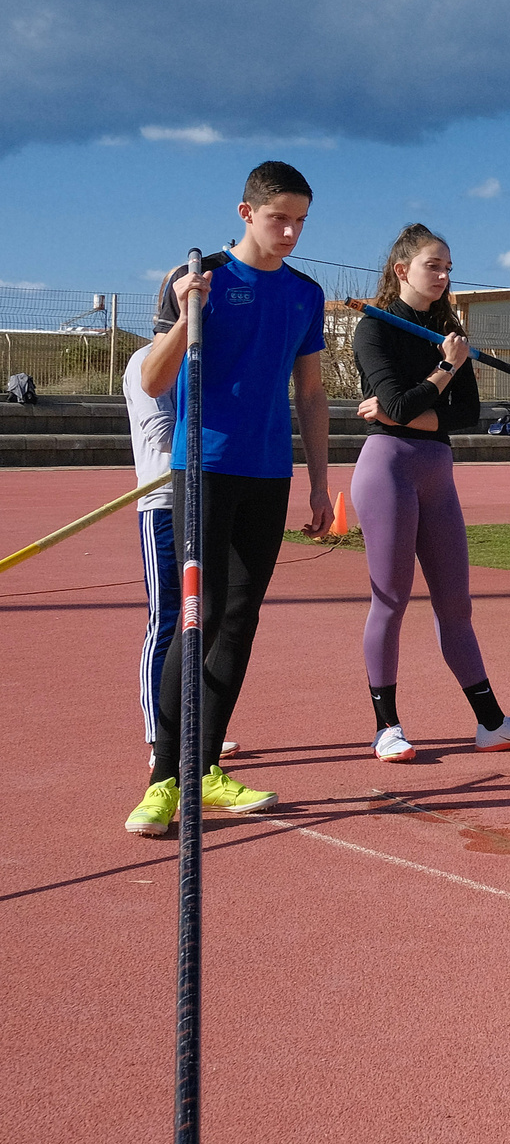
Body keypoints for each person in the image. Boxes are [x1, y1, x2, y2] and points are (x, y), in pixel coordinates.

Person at [124, 161, 332, 835]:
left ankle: (205, 768)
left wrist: (322, 481)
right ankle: (163, 778)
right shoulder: (200, 275)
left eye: (301, 218)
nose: (292, 231)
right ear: (246, 212)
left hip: (269, 472)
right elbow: (155, 378)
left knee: (241, 619)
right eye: (280, 218)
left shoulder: (305, 294)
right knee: (202, 614)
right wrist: (190, 314)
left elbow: (311, 393)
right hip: (204, 467)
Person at [350, 224, 510, 763]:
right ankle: (386, 726)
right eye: (432, 266)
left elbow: (466, 414)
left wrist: (412, 407)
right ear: (402, 270)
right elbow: (396, 405)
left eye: (448, 267)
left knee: (456, 606)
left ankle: (491, 723)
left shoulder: (451, 331)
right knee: (391, 600)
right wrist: (444, 370)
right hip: (388, 471)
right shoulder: (375, 331)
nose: (444, 276)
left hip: (437, 472)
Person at [123, 340, 238, 768]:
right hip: (165, 503)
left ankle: (195, 726)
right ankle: (161, 736)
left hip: (209, 500)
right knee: (170, 618)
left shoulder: (211, 357)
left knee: (210, 617)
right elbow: (158, 431)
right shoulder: (146, 361)